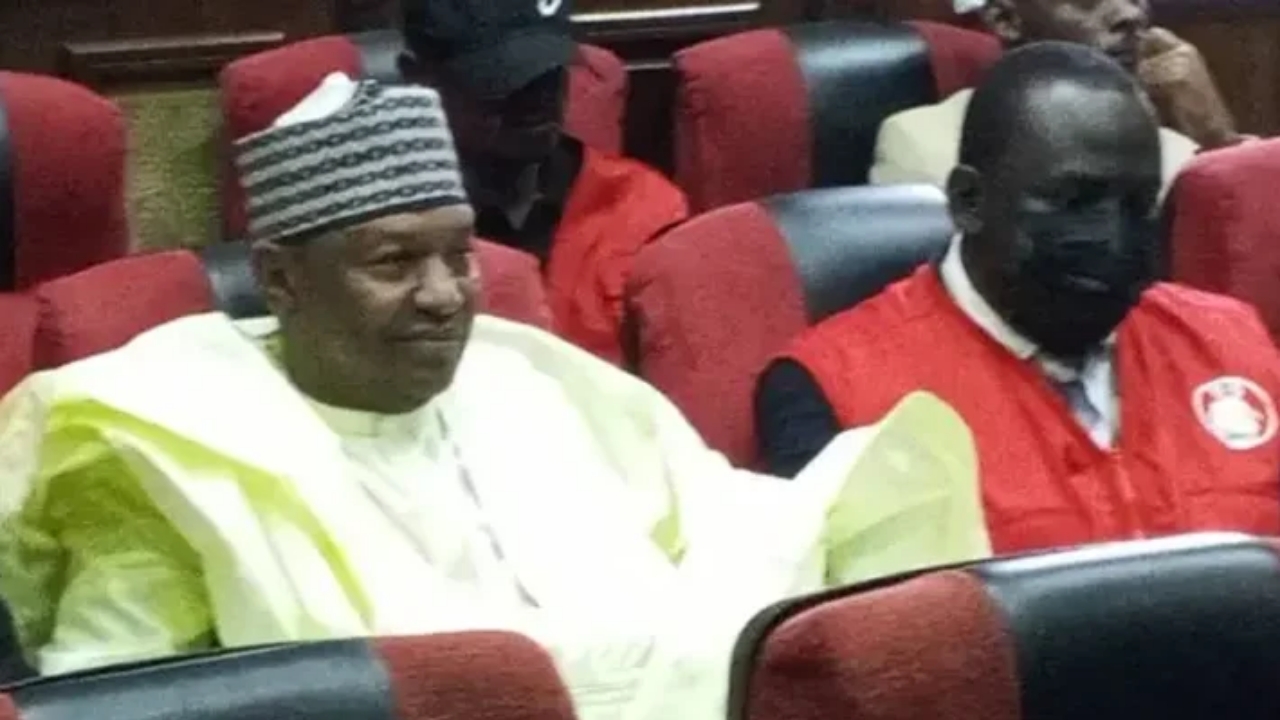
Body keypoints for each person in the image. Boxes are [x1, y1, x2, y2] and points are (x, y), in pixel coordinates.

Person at [0, 75, 989, 720]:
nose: (442, 296)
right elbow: (120, 702)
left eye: (456, 254)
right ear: (283, 278)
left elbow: (736, 530)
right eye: (392, 262)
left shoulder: (531, 378)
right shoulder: (153, 436)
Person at [757, 43, 1280, 554]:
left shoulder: (1229, 340)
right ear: (968, 202)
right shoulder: (840, 390)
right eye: (1074, 202)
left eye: (1139, 204)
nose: (1116, 240)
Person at [397, 0, 689, 365]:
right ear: (419, 79)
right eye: (503, 78)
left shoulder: (644, 209)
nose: (539, 96)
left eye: (550, 71)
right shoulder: (389, 235)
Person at [870, 0, 1248, 194]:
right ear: (1006, 20)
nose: (1129, 15)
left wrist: (1218, 139)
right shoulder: (925, 142)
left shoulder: (1178, 149)